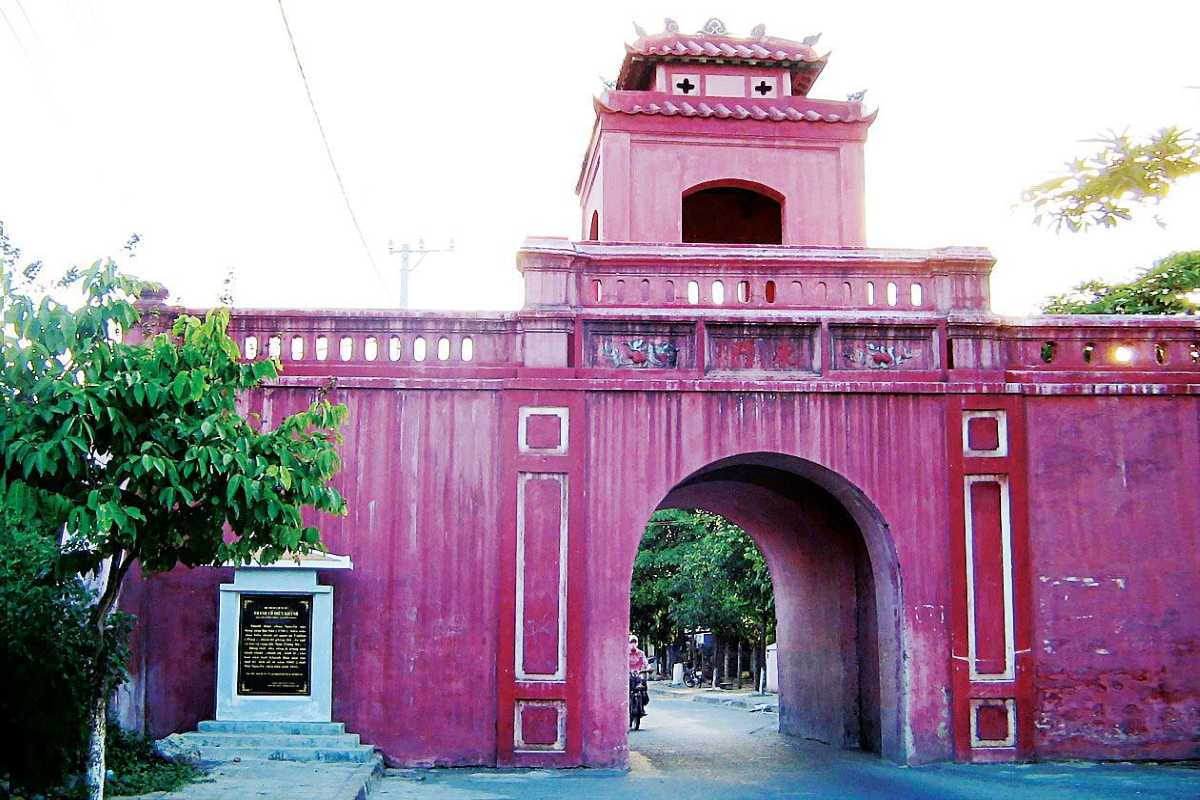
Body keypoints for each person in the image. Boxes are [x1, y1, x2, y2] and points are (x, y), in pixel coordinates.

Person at [628, 634, 651, 730]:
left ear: (637, 643)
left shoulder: (641, 653)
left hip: (639, 675)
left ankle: (642, 706)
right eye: (631, 642)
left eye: (635, 642)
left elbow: (646, 663)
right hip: (628, 676)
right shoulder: (625, 653)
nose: (633, 644)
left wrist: (649, 668)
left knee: (643, 686)